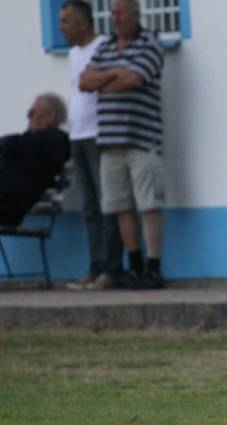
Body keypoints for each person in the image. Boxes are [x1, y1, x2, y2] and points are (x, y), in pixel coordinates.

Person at [79, 0, 166, 289]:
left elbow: (134, 79)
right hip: (110, 142)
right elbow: (84, 81)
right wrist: (114, 75)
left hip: (142, 139)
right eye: (112, 13)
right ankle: (135, 265)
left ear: (134, 15)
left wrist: (105, 80)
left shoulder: (149, 43)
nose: (114, 18)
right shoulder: (104, 47)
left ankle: (153, 268)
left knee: (148, 205)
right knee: (120, 206)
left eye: (119, 13)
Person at [59, 0, 124, 291]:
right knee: (88, 206)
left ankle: (112, 267)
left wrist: (96, 79)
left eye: (65, 22)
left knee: (107, 203)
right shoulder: (74, 54)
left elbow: (100, 81)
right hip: (78, 135)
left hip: (100, 134)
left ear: (83, 23)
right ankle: (94, 266)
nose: (61, 28)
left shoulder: (102, 47)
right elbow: (82, 84)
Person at [0, 94, 70, 226]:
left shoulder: (52, 142)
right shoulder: (32, 143)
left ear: (51, 117)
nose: (28, 116)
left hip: (8, 207)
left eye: (32, 112)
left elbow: (11, 144)